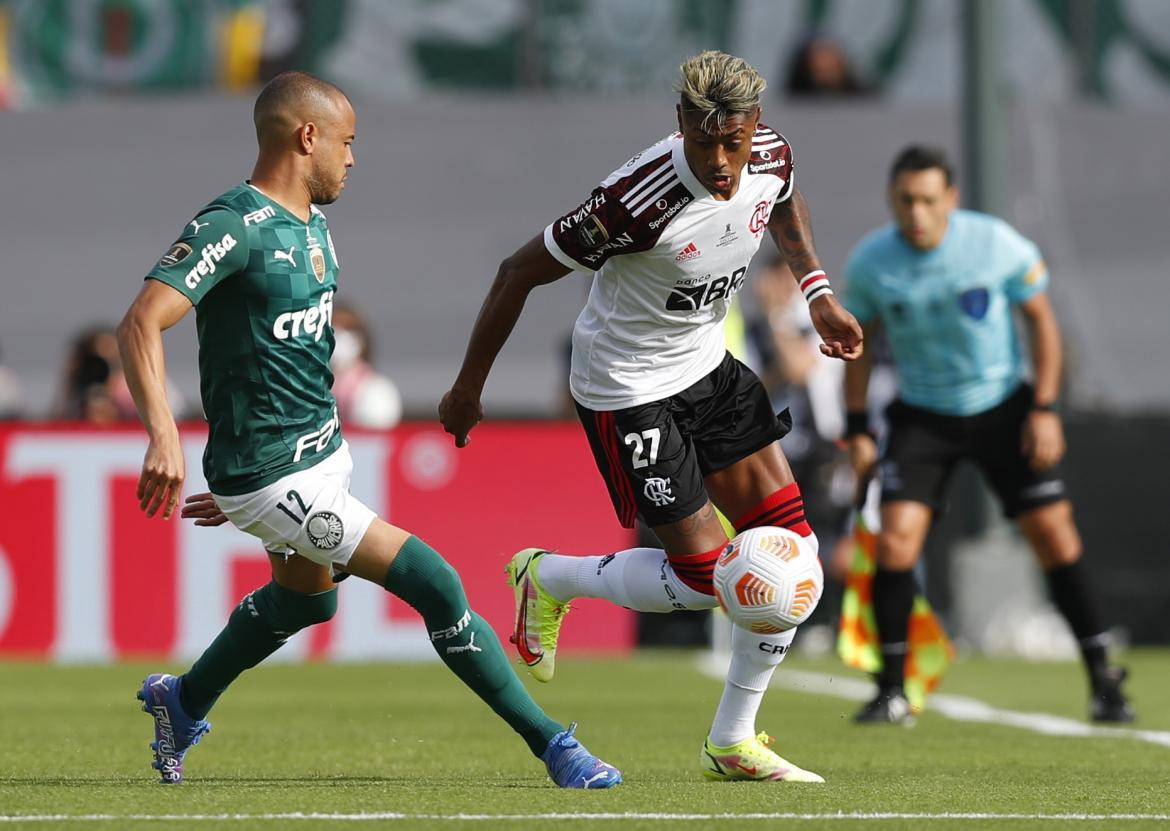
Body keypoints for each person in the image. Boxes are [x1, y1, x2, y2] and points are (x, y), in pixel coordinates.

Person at [116, 70, 621, 788]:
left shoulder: (314, 225)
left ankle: (183, 698)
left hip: (317, 457)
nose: (353, 159)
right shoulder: (233, 226)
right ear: (308, 137)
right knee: (437, 583)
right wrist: (169, 440)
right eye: (347, 143)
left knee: (306, 600)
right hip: (273, 474)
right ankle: (555, 747)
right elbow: (141, 321)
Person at [439, 50, 863, 782]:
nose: (723, 161)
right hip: (626, 384)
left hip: (708, 367)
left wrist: (817, 289)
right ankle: (551, 578)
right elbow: (517, 272)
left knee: (795, 567)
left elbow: (785, 196)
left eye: (733, 141)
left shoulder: (768, 152)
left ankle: (733, 740)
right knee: (709, 578)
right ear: (681, 125)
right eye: (706, 143)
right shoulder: (634, 201)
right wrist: (468, 386)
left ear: (755, 125)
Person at [840, 145, 1133, 725]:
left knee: (1054, 533)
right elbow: (861, 347)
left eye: (927, 200)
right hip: (922, 416)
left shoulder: (994, 244)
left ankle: (1104, 679)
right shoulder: (873, 262)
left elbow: (1043, 323)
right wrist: (857, 430)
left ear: (950, 199)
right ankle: (891, 689)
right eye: (905, 201)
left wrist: (1045, 407)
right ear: (892, 201)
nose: (916, 213)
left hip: (1003, 409)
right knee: (896, 540)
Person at [331, 302, 403, 429]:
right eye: (332, 328)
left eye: (346, 329)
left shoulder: (378, 390)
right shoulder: (311, 387)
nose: (338, 335)